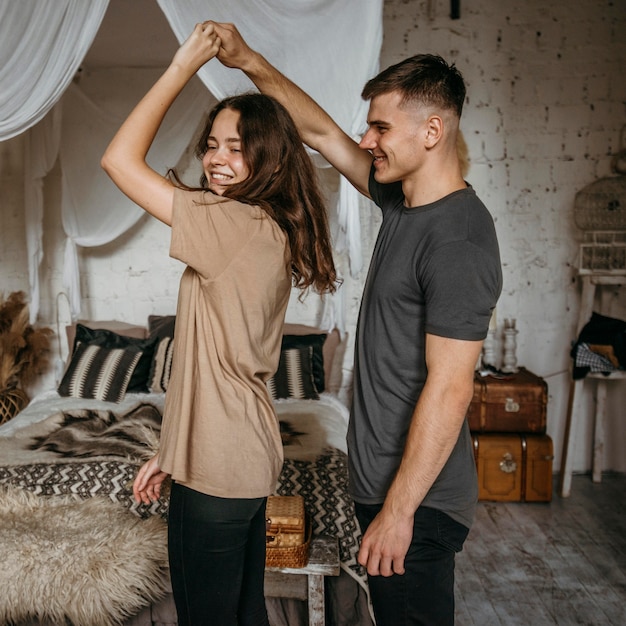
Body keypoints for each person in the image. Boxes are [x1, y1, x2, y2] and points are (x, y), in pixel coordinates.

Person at [212, 22, 502, 626]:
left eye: (381, 127)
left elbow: (451, 387)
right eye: (368, 126)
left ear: (432, 131)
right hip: (384, 493)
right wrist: (248, 61)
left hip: (417, 506)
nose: (367, 139)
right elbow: (317, 130)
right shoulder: (402, 203)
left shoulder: (459, 238)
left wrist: (398, 511)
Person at [101, 22, 337, 626]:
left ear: (269, 156)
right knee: (240, 611)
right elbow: (213, 363)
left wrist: (184, 65)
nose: (217, 158)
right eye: (212, 143)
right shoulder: (267, 225)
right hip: (234, 453)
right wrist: (172, 453)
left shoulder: (231, 224)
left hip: (223, 460)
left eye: (236, 146)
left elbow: (118, 160)